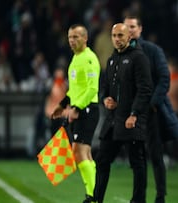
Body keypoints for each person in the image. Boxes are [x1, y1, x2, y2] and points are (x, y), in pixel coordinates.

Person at [92, 23, 153, 203]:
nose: (117, 39)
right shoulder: (111, 60)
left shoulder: (138, 58)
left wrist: (134, 114)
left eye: (120, 35)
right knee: (102, 160)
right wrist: (105, 99)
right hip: (112, 122)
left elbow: (145, 89)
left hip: (130, 120)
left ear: (129, 37)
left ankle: (138, 201)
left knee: (137, 163)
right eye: (114, 36)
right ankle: (97, 199)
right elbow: (105, 86)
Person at [51, 24, 100, 203]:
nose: (72, 40)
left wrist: (77, 108)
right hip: (80, 109)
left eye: (76, 37)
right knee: (82, 152)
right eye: (70, 37)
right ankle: (94, 193)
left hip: (87, 109)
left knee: (79, 151)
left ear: (85, 38)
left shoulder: (89, 59)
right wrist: (63, 105)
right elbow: (75, 89)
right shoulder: (75, 58)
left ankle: (92, 196)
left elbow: (92, 88)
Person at [124, 15, 170, 203]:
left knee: (155, 156)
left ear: (140, 28)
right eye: (127, 27)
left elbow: (164, 79)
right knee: (136, 158)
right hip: (129, 113)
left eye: (133, 27)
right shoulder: (121, 52)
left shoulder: (152, 51)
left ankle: (160, 195)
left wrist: (151, 103)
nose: (130, 30)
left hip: (150, 112)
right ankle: (139, 197)